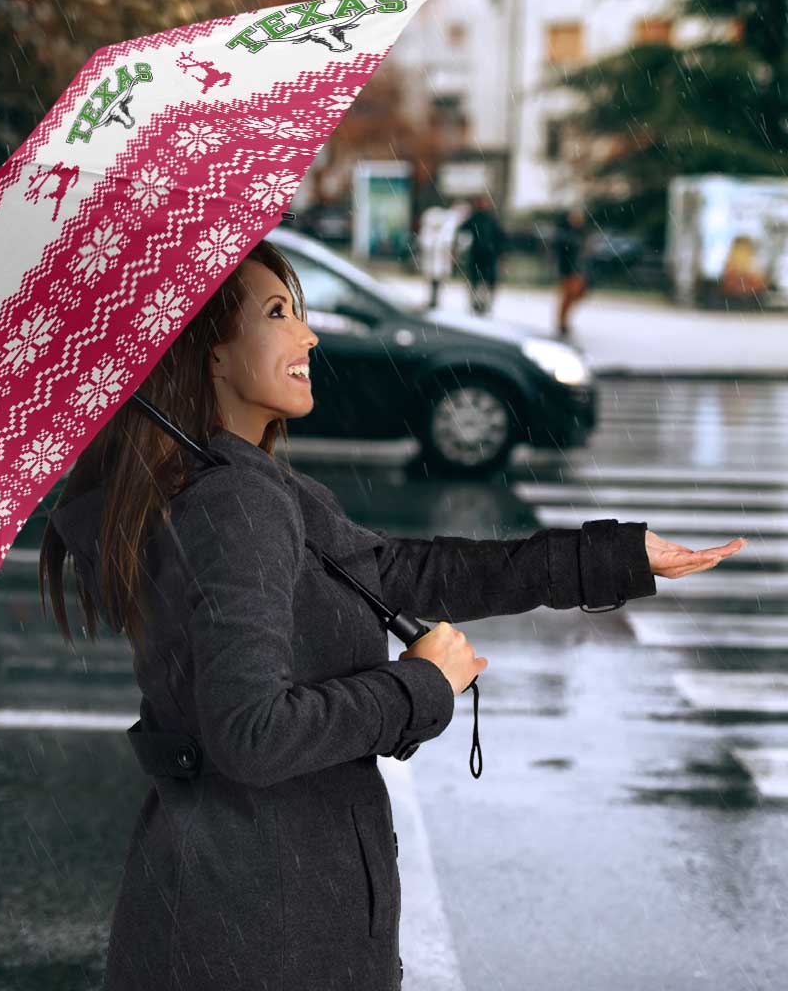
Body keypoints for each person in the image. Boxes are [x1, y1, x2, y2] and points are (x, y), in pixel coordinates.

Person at [40, 239, 670, 991]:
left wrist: (612, 559)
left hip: (240, 912)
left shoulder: (236, 484)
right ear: (210, 353)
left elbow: (401, 572)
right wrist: (420, 686)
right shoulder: (233, 503)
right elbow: (252, 734)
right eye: (279, 313)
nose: (308, 335)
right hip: (263, 931)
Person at [456, 193, 506, 316]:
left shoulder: (489, 219)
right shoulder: (476, 218)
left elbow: (500, 237)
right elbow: (462, 231)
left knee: (484, 282)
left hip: (487, 255)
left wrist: (499, 251)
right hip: (479, 255)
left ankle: (483, 304)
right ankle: (477, 304)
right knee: (477, 281)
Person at [554, 206, 590, 338]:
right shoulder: (566, 234)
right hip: (569, 270)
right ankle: (562, 322)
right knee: (568, 296)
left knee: (576, 295)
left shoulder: (581, 233)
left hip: (578, 270)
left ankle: (564, 321)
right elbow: (563, 253)